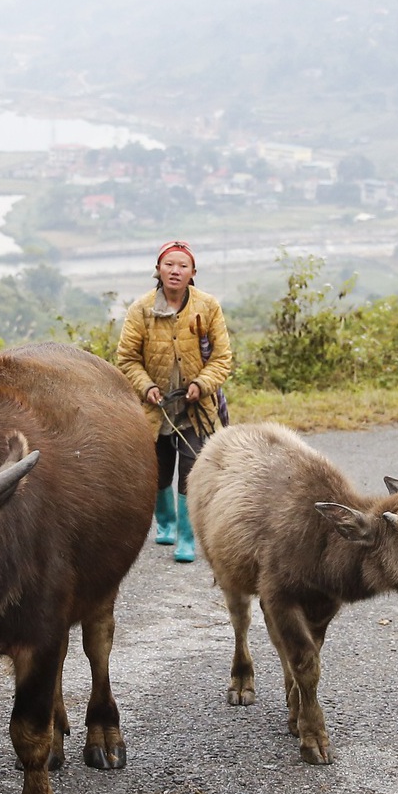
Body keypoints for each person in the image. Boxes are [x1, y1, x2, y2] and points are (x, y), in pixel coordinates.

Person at [115, 240, 233, 563]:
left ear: (193, 273)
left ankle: (186, 535)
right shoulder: (141, 310)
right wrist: (146, 386)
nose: (175, 271)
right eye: (169, 265)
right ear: (158, 270)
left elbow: (222, 358)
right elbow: (126, 358)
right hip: (154, 408)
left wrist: (201, 383)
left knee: (191, 469)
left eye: (183, 266)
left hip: (195, 406)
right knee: (159, 469)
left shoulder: (207, 307)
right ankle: (165, 523)